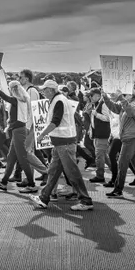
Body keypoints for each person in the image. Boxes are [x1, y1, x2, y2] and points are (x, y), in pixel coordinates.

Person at [32, 80, 93, 211]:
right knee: (53, 171)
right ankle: (44, 198)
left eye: (44, 90)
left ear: (51, 90)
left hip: (63, 142)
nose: (43, 92)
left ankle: (85, 200)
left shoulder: (58, 101)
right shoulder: (60, 99)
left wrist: (42, 135)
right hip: (62, 142)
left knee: (71, 172)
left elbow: (55, 122)